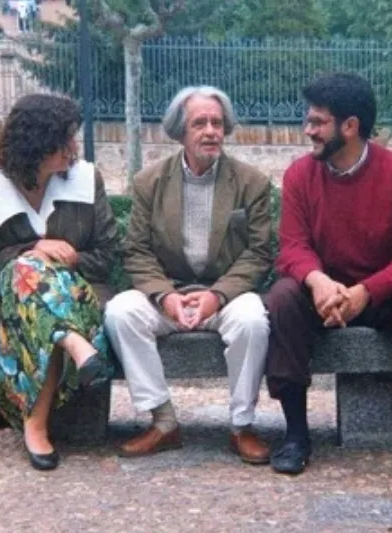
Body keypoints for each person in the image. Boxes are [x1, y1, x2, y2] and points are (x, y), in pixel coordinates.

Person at [263, 73, 392, 489]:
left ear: (349, 126)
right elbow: (292, 247)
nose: (307, 130)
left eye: (317, 122)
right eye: (308, 119)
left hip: (384, 296)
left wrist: (366, 291)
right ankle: (296, 433)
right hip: (324, 295)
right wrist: (317, 282)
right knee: (280, 297)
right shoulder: (300, 175)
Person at [104, 86, 273, 465]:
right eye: (200, 123)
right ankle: (163, 421)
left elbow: (259, 252)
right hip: (171, 292)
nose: (211, 131)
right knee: (120, 312)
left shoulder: (252, 182)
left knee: (253, 321)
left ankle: (241, 426)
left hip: (225, 293)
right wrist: (165, 296)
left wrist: (218, 295)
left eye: (217, 123)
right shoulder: (150, 182)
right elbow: (137, 250)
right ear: (180, 132)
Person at [0, 94, 120, 471]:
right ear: (34, 145)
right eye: (63, 142)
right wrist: (34, 248)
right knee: (23, 268)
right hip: (15, 309)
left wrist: (71, 257)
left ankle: (36, 425)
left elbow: (109, 254)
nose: (73, 150)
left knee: (32, 278)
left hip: (83, 298)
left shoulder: (85, 180)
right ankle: (71, 343)